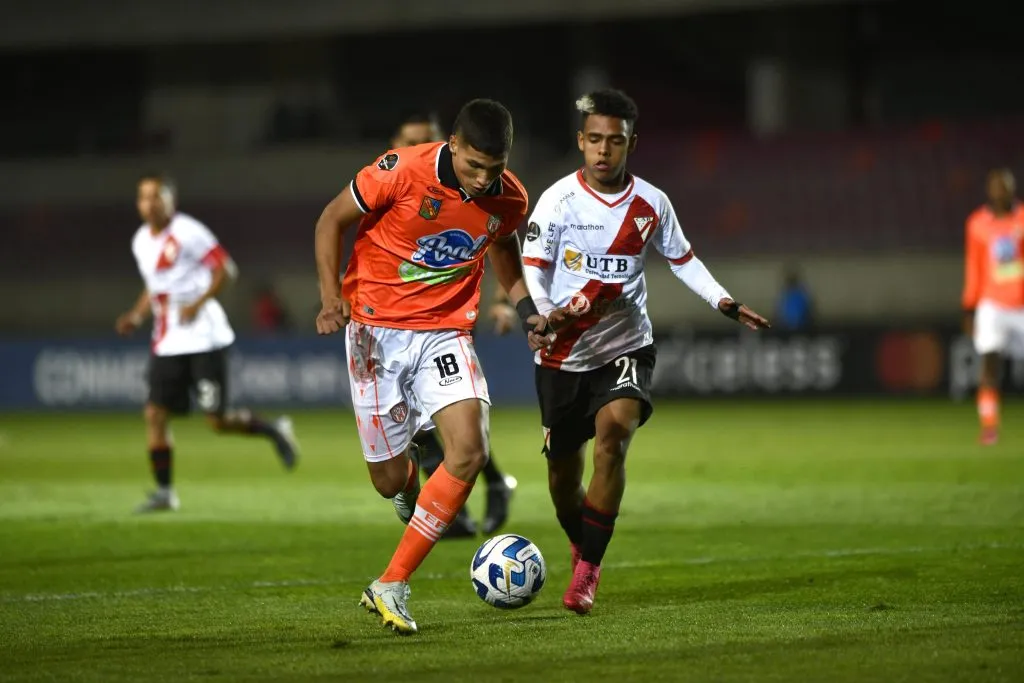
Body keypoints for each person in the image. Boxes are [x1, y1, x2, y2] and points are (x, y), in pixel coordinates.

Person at [522, 89, 770, 615]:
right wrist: (543, 315)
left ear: (632, 143)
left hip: (627, 343)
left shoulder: (651, 204)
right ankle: (582, 540)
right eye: (594, 140)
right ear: (580, 142)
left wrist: (724, 301)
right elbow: (534, 266)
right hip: (563, 354)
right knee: (564, 482)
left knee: (614, 437)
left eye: (615, 141)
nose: (603, 151)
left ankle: (588, 569)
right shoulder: (556, 200)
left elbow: (684, 260)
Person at [314, 99, 554, 634]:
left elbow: (501, 241)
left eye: (494, 169)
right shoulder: (400, 171)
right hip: (374, 334)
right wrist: (331, 297)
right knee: (388, 480)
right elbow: (331, 220)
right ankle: (405, 484)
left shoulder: (509, 197)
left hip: (445, 330)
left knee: (469, 450)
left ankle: (390, 584)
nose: (482, 180)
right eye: (473, 167)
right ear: (452, 145)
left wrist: (525, 308)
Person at [115, 173, 299, 513]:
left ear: (172, 199)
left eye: (157, 196)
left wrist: (197, 303)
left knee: (217, 421)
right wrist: (137, 316)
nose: (150, 203)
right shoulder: (141, 240)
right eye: (143, 197)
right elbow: (155, 287)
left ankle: (275, 429)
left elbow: (226, 270)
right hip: (167, 340)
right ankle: (165, 493)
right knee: (155, 413)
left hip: (203, 336)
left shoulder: (189, 232)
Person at [380, 111, 519, 539]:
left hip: (446, 320)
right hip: (392, 321)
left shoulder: (472, 189)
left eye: (424, 140)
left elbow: (495, 241)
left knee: (441, 421)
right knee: (424, 424)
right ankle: (484, 488)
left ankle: (462, 500)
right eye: (407, 140)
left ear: (446, 143)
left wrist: (503, 303)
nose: (414, 147)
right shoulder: (393, 183)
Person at [962, 168, 1024, 446]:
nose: (1002, 192)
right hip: (992, 305)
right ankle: (989, 428)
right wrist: (969, 306)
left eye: (1006, 187)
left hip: (1021, 303)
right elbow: (974, 267)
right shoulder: (977, 223)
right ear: (989, 191)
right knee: (989, 364)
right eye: (997, 187)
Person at [775, 266, 814, 330]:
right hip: (787, 326)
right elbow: (779, 311)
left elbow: (808, 309)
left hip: (801, 326)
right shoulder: (784, 293)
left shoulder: (802, 292)